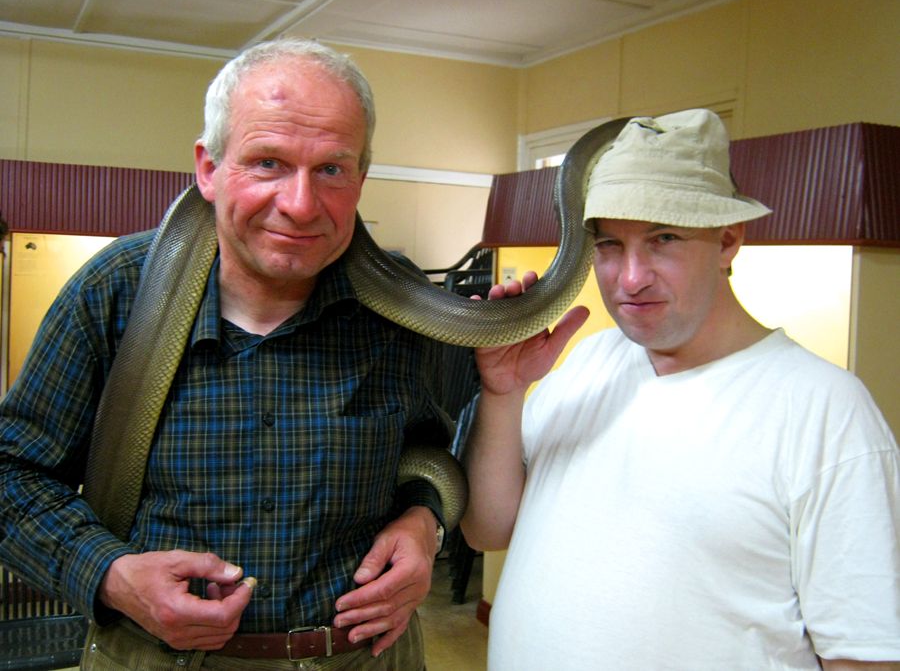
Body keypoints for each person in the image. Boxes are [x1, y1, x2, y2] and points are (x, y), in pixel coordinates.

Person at [0, 39, 454, 670]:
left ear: (360, 178)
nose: (300, 204)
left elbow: (428, 455)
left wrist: (424, 522)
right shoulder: (116, 290)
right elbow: (11, 475)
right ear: (208, 168)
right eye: (268, 162)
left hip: (368, 658)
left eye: (331, 169)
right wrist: (110, 574)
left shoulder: (400, 304)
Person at [460, 109, 900, 670]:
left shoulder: (824, 410)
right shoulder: (586, 363)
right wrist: (504, 395)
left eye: (663, 238)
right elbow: (486, 530)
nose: (631, 277)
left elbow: (864, 656)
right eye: (610, 244)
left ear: (728, 241)